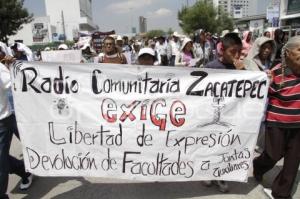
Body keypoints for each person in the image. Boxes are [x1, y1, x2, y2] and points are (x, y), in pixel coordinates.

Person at [253, 36, 300, 199]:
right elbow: (262, 95)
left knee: (293, 162)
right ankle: (258, 166)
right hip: (277, 122)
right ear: (287, 53)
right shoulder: (276, 72)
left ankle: (281, 193)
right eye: (299, 50)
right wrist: (266, 83)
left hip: (298, 125)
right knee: (273, 155)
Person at [204, 33, 246, 193]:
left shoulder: (242, 68)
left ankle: (220, 176)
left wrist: (244, 73)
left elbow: (249, 92)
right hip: (212, 115)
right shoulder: (211, 67)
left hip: (232, 116)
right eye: (233, 51)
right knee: (210, 146)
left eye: (239, 52)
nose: (236, 56)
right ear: (222, 49)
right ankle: (207, 172)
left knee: (225, 147)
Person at [0, 56, 33, 199]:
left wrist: (13, 67)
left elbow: (15, 83)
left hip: (2, 121)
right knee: (2, 158)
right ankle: (23, 170)